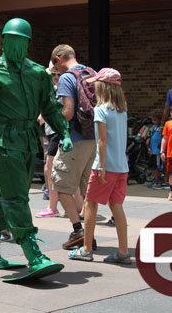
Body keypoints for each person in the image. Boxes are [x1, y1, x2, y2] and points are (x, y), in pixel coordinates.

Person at [0, 18, 72, 279]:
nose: (15, 44)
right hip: (2, 141)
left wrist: (64, 132)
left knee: (9, 195)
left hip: (27, 140)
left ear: (27, 43)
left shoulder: (38, 73)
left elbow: (50, 107)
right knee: (16, 198)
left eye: (21, 40)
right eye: (11, 39)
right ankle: (32, 252)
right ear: (4, 40)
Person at [68, 68, 131, 264]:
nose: (94, 87)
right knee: (116, 206)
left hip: (105, 166)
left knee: (90, 203)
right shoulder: (122, 111)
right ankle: (123, 251)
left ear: (103, 86)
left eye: (96, 84)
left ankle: (86, 249)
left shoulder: (101, 110)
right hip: (121, 167)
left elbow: (102, 140)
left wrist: (101, 166)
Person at [49, 44, 97, 250]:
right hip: (93, 138)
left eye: (54, 66)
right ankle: (89, 236)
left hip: (74, 139)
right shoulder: (91, 73)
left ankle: (78, 230)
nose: (55, 71)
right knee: (88, 191)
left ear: (60, 59)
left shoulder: (68, 77)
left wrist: (54, 116)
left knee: (60, 187)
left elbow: (67, 112)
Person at [36, 64, 62, 218]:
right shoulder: (55, 90)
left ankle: (52, 207)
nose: (56, 78)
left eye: (58, 75)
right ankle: (79, 206)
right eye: (53, 75)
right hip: (53, 133)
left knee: (49, 169)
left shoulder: (58, 90)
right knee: (60, 171)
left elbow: (48, 112)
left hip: (57, 132)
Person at [146, 113, 166, 189]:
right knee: (153, 166)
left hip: (158, 150)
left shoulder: (161, 127)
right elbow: (151, 135)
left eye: (155, 120)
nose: (153, 121)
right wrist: (149, 141)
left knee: (157, 166)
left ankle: (157, 180)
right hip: (153, 149)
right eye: (152, 120)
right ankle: (157, 178)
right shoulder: (153, 127)